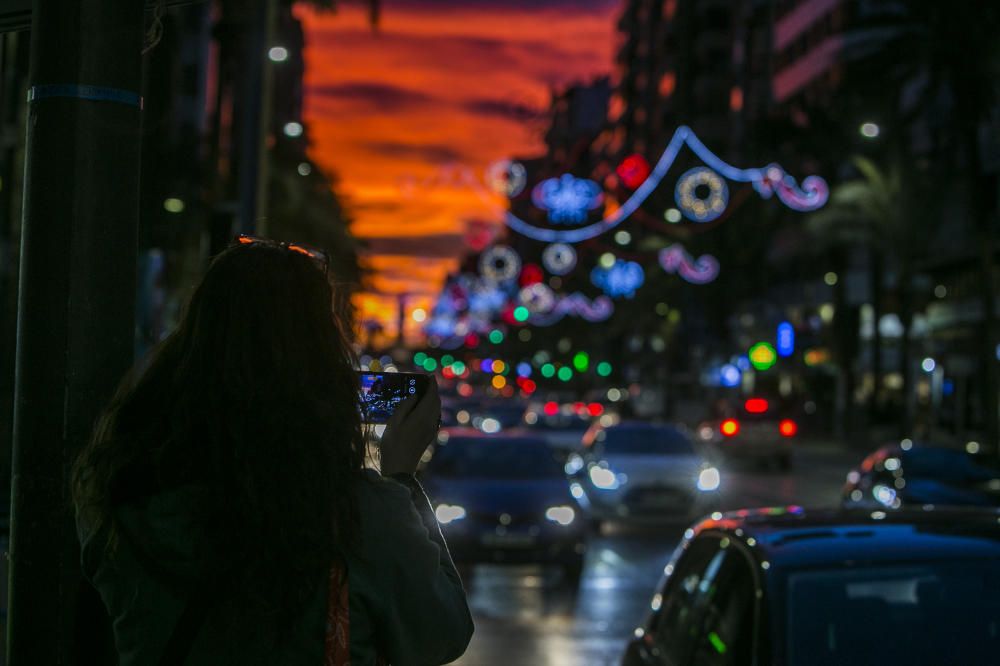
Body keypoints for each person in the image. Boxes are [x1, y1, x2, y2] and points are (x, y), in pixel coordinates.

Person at [72, 238, 473, 665]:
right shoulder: (358, 514)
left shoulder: (121, 492)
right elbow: (442, 635)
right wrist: (400, 477)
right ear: (322, 376)